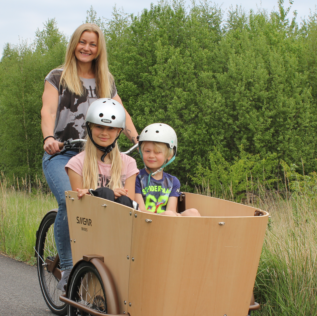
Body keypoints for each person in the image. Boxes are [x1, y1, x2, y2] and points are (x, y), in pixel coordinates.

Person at [41, 23, 138, 291]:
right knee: (70, 201)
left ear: (99, 49)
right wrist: (49, 138)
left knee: (112, 202)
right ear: (74, 44)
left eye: (92, 44)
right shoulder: (58, 76)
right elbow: (48, 110)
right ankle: (70, 270)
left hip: (98, 153)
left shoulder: (105, 78)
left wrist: (136, 137)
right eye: (82, 42)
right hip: (62, 154)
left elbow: (120, 109)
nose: (86, 48)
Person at [66, 98, 138, 208]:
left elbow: (130, 202)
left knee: (123, 199)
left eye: (110, 128)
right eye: (99, 127)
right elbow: (78, 204)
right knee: (105, 193)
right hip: (90, 217)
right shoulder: (76, 163)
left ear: (118, 131)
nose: (104, 133)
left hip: (120, 219)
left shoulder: (129, 163)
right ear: (90, 127)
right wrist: (106, 194)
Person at [135, 123, 200, 217]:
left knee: (193, 212)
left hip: (167, 220)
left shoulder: (173, 181)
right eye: (147, 151)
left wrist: (169, 215)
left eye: (157, 152)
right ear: (141, 151)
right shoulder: (137, 177)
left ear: (169, 155)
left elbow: (171, 210)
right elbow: (140, 210)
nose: (151, 155)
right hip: (146, 220)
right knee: (169, 214)